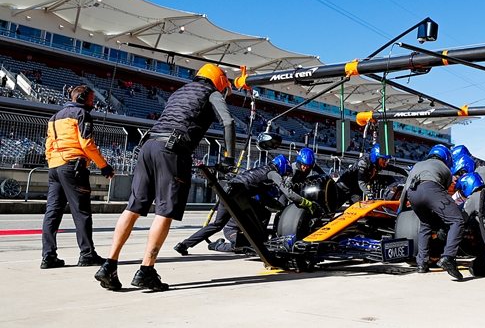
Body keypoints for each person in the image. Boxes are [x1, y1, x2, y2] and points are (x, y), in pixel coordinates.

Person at [94, 63, 236, 291]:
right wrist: (229, 158)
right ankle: (147, 270)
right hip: (172, 151)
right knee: (164, 211)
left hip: (149, 146)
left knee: (133, 208)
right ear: (218, 80)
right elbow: (228, 122)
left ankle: (109, 265)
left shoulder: (180, 91)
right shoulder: (212, 93)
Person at [173, 155, 313, 255]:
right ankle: (257, 240)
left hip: (226, 193)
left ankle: (184, 245)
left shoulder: (259, 170)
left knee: (216, 225)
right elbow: (286, 193)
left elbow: (264, 196)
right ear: (281, 166)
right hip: (237, 198)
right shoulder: (272, 173)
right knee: (263, 214)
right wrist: (303, 202)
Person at [41, 85, 115, 269]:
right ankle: (87, 254)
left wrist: (54, 163)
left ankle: (48, 256)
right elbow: (86, 143)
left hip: (55, 167)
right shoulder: (82, 115)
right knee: (81, 212)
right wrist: (104, 166)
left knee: (52, 212)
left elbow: (48, 145)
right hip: (74, 167)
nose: (93, 102)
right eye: (91, 98)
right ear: (82, 98)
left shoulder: (54, 118)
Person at [399, 144, 464, 280]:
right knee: (456, 220)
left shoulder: (418, 164)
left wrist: (400, 211)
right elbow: (443, 195)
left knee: (425, 224)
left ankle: (421, 264)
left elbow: (405, 189)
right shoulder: (445, 169)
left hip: (413, 193)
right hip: (431, 188)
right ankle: (448, 257)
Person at [334, 143, 408, 206]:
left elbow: (395, 169)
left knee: (356, 210)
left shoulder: (378, 164)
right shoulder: (363, 163)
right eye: (384, 159)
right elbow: (361, 182)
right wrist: (369, 194)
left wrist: (409, 174)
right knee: (334, 207)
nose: (386, 162)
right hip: (343, 187)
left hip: (356, 190)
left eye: (387, 160)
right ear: (376, 157)